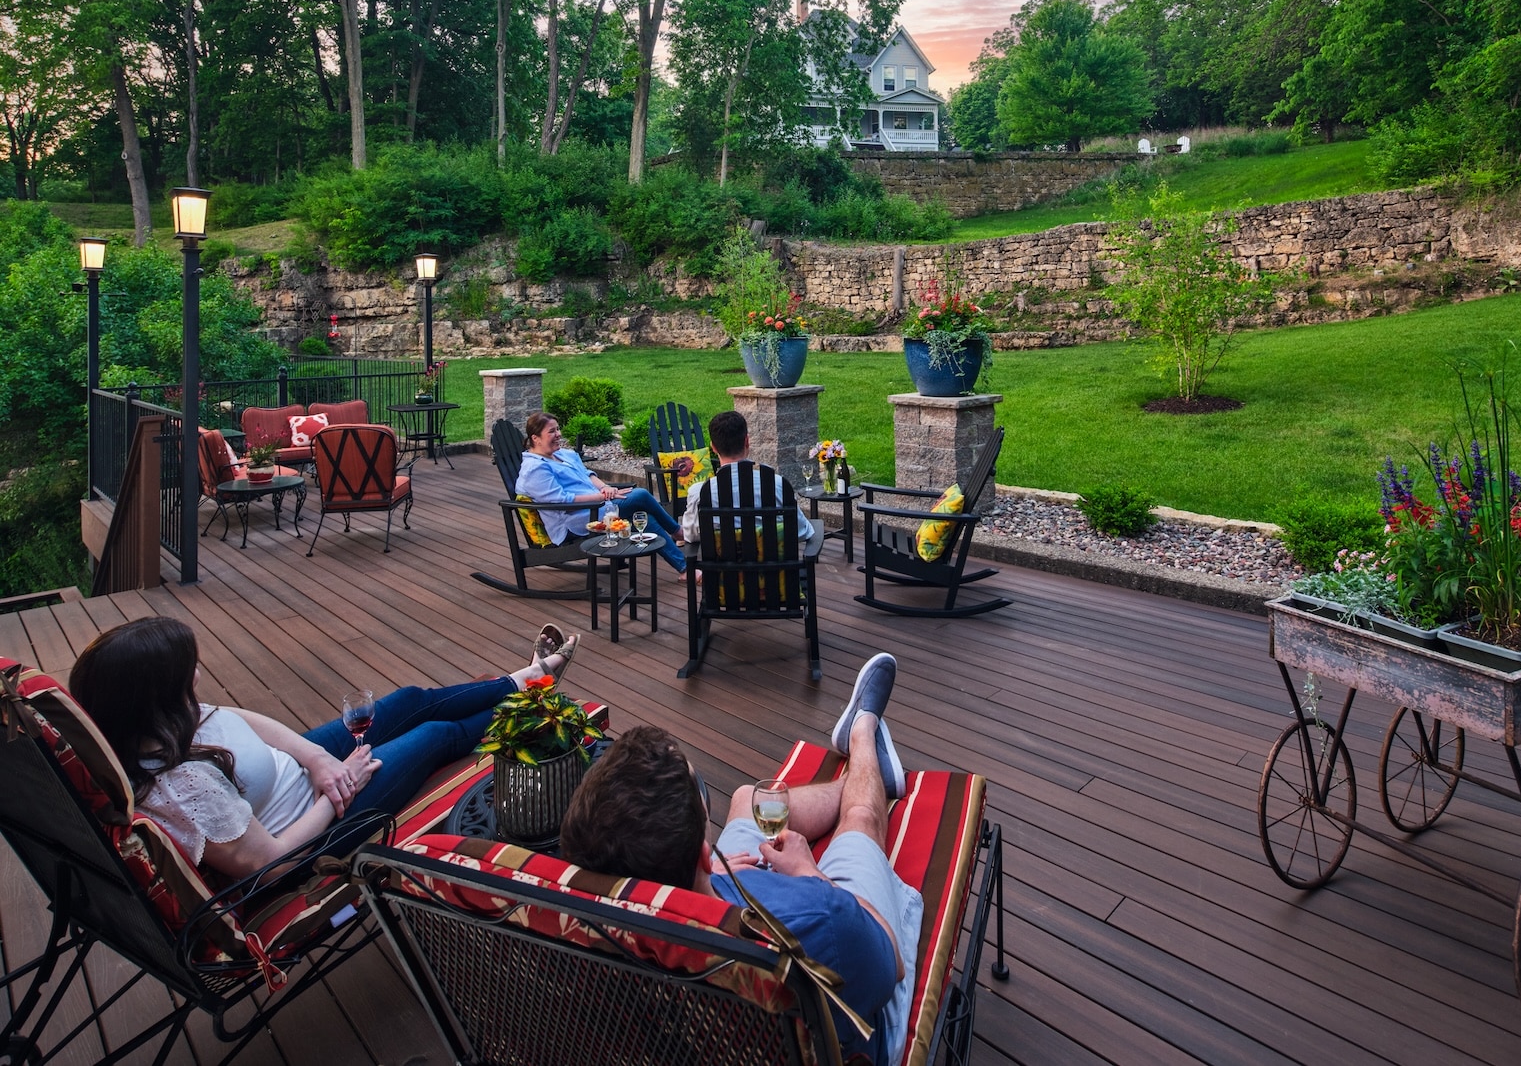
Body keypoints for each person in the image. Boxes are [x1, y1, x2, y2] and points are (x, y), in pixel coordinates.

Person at [562, 653, 919, 1066]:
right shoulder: (822, 920)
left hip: (698, 914)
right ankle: (863, 736)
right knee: (859, 822)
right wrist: (810, 873)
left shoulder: (583, 923)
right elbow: (888, 960)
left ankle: (859, 775)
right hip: (837, 1008)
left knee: (749, 799)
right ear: (702, 853)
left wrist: (709, 874)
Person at [69, 616, 580, 880]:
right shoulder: (182, 787)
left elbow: (238, 718)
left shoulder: (162, 719)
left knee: (409, 701)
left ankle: (528, 676)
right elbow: (269, 862)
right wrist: (337, 790)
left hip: (301, 769)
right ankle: (536, 698)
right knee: (433, 737)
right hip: (319, 819)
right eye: (186, 670)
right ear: (154, 692)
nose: (198, 673)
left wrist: (315, 758)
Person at [515, 411, 687, 574]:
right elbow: (560, 500)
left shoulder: (562, 454)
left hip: (597, 506)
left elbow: (587, 474)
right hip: (575, 519)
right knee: (640, 495)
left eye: (558, 429)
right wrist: (602, 497)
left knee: (643, 515)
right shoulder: (535, 469)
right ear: (535, 438)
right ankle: (678, 533)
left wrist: (605, 488)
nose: (558, 434)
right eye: (552, 431)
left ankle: (684, 568)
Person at [679, 410, 815, 546]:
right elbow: (802, 531)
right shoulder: (777, 485)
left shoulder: (699, 493)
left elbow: (691, 535)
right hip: (771, 567)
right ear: (747, 441)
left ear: (713, 447)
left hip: (722, 567)